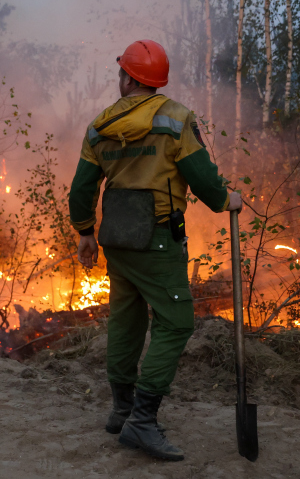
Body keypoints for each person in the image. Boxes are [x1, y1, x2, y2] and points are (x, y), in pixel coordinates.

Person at [68, 39, 242, 461]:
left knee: (125, 321)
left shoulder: (99, 126)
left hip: (118, 240)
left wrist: (86, 232)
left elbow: (81, 189)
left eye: (122, 72)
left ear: (128, 77)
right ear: (157, 80)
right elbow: (200, 175)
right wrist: (225, 200)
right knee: (177, 322)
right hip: (158, 239)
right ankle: (142, 421)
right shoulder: (175, 118)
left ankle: (122, 409)